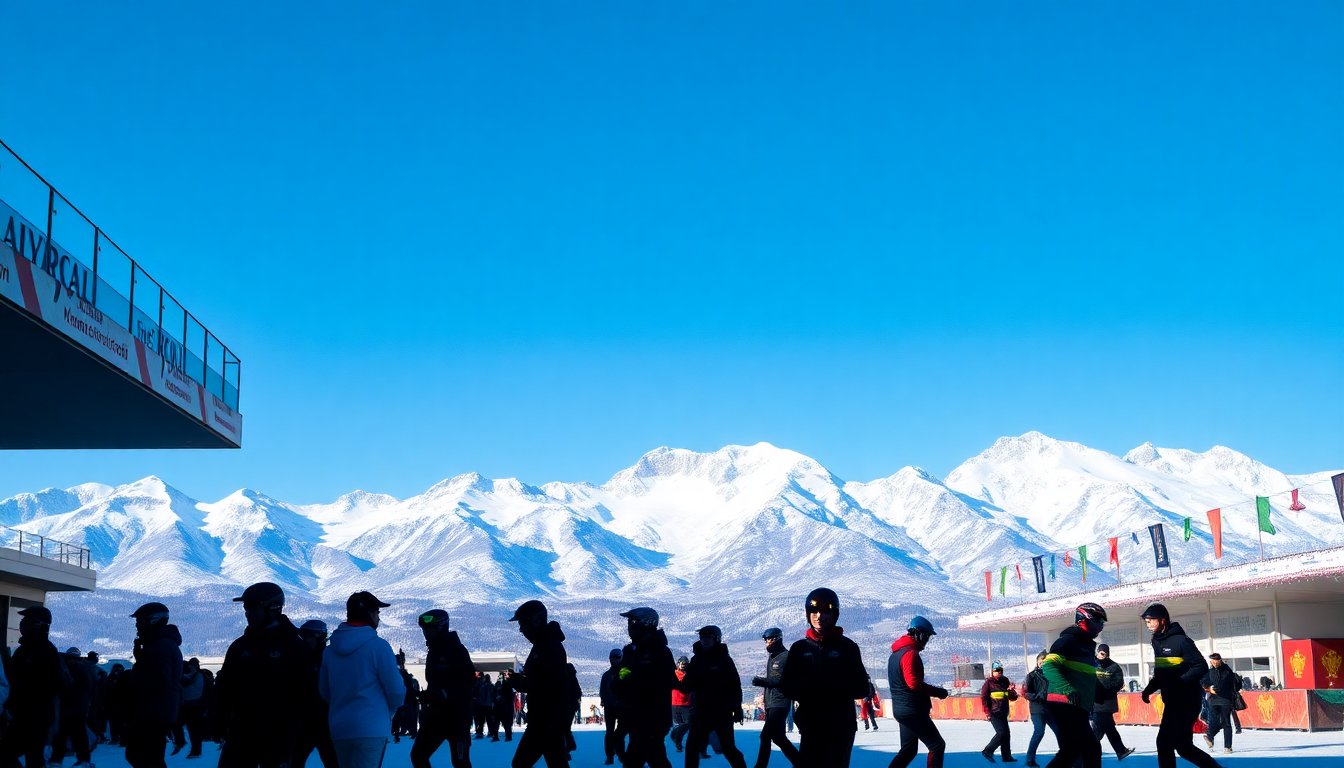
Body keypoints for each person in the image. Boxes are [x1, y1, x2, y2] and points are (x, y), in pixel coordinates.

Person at [217, 582, 309, 768]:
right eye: (245, 607)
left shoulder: (294, 645)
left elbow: (305, 692)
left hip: (279, 734)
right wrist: (218, 719)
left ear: (272, 608)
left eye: (251, 606)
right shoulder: (240, 646)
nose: (247, 612)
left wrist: (295, 729)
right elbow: (224, 686)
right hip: (241, 732)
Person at [778, 587, 870, 768]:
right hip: (811, 725)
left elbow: (861, 687)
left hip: (841, 726)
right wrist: (807, 688)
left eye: (825, 611)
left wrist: (832, 685)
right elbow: (787, 686)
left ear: (834, 614)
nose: (819, 616)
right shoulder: (799, 649)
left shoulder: (848, 647)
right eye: (814, 611)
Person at [321, 591, 405, 768]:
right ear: (370, 614)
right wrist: (388, 711)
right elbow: (397, 690)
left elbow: (324, 692)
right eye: (377, 613)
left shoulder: (330, 650)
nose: (378, 618)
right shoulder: (378, 647)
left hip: (339, 728)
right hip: (371, 728)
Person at [1140, 604, 1222, 768]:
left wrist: (1180, 681)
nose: (1148, 624)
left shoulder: (1182, 641)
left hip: (1187, 701)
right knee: (1183, 747)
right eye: (1146, 621)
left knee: (1164, 742)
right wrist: (1150, 688)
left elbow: (1201, 666)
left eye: (1151, 620)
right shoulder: (1156, 641)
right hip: (1173, 701)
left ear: (1163, 621)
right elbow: (1162, 671)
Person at [507, 599, 571, 768]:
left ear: (535, 621)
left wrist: (523, 683)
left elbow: (550, 684)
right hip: (544, 718)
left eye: (523, 624)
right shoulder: (541, 645)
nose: (521, 629)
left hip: (547, 719)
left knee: (521, 763)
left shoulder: (550, 647)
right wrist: (522, 681)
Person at [1040, 602, 1105, 768]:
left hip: (1078, 705)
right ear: (1084, 620)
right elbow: (1048, 667)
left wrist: (1097, 692)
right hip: (1065, 704)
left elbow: (1084, 675)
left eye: (1102, 623)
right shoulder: (1068, 641)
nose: (1101, 627)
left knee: (1072, 751)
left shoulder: (1087, 646)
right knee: (1089, 749)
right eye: (1098, 622)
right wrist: (1068, 690)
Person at [0, 605, 65, 768]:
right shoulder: (23, 651)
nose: (22, 624)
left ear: (40, 625)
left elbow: (54, 685)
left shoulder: (47, 651)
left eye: (27, 620)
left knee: (31, 757)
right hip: (23, 715)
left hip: (36, 716)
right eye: (24, 620)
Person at [677, 625, 748, 768]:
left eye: (707, 638)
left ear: (716, 639)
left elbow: (735, 685)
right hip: (701, 712)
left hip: (721, 712)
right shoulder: (696, 660)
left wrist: (737, 708)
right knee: (691, 748)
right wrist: (687, 678)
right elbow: (686, 686)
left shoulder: (724, 659)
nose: (704, 641)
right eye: (702, 638)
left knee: (728, 748)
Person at [412, 609, 475, 768]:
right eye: (424, 629)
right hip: (436, 715)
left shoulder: (457, 650)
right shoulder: (433, 651)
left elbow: (468, 684)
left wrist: (444, 693)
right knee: (418, 755)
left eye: (429, 629)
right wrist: (428, 695)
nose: (425, 633)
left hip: (457, 717)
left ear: (441, 627)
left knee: (460, 762)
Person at [614, 606, 676, 768]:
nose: (629, 625)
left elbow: (667, 681)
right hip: (634, 715)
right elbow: (623, 674)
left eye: (633, 621)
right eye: (629, 621)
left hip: (654, 716)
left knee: (648, 758)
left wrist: (640, 681)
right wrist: (620, 683)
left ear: (648, 623)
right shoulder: (630, 651)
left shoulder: (661, 652)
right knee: (652, 758)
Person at [125, 602, 185, 768]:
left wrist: (133, 681)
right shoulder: (157, 645)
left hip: (152, 712)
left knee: (145, 757)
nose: (137, 625)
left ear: (153, 621)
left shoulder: (160, 647)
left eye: (140, 621)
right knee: (144, 757)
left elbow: (158, 681)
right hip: (155, 711)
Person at [885, 615, 948, 768]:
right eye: (926, 636)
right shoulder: (910, 654)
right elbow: (913, 683)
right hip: (912, 710)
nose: (927, 640)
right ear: (919, 634)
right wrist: (938, 692)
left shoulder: (895, 654)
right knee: (937, 746)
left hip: (902, 710)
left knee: (908, 750)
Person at [750, 627, 799, 768]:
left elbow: (785, 681)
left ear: (778, 639)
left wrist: (763, 682)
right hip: (771, 703)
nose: (767, 643)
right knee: (778, 738)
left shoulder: (786, 656)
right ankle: (800, 762)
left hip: (781, 703)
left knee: (765, 736)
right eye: (766, 640)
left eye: (770, 639)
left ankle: (760, 766)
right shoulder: (772, 658)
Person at [294, 620, 338, 768]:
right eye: (303, 636)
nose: (305, 640)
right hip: (303, 723)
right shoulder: (299, 659)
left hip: (325, 723)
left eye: (308, 636)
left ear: (320, 637)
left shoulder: (331, 659)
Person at [51, 646, 97, 767]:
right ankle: (83, 758)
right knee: (76, 735)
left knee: (67, 734)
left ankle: (58, 759)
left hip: (73, 707)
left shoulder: (75, 670)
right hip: (76, 708)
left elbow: (70, 688)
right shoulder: (81, 669)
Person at [1092, 644, 1134, 760]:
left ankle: (1082, 754)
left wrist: (1104, 687)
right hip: (1094, 702)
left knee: (1098, 731)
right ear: (1097, 653)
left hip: (1107, 703)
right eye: (1101, 653)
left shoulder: (1114, 667)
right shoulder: (1092, 665)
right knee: (1109, 728)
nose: (1102, 656)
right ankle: (1121, 751)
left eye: (1105, 654)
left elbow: (1119, 683)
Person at [1200, 653, 1241, 755]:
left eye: (1216, 661)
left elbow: (1224, 684)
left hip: (1225, 700)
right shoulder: (1210, 671)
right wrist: (1208, 688)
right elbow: (1204, 681)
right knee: (1213, 721)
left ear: (1220, 660)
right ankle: (1210, 737)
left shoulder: (1227, 671)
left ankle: (1228, 746)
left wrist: (1215, 689)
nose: (1215, 663)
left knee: (1226, 723)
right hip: (1213, 701)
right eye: (1213, 662)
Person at [1020, 651, 1055, 768]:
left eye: (1045, 662)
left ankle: (1069, 756)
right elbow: (1025, 693)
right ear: (1037, 662)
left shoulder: (1052, 675)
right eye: (1041, 662)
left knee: (1060, 732)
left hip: (1051, 709)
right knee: (1039, 732)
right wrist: (1037, 696)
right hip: (1037, 709)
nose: (1042, 664)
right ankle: (1030, 759)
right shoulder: (1031, 676)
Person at [978, 660, 1018, 762]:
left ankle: (1006, 756)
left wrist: (1011, 691)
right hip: (994, 713)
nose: (999, 672)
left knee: (1006, 734)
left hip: (1003, 712)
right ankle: (988, 750)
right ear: (992, 671)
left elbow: (1013, 698)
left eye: (1001, 670)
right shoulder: (988, 683)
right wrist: (987, 712)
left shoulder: (1005, 681)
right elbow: (984, 698)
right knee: (1001, 733)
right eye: (997, 670)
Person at [174, 658, 208, 759]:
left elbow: (193, 691)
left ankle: (194, 750)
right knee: (192, 729)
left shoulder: (198, 676)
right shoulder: (195, 675)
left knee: (193, 729)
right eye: (190, 665)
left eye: (193, 665)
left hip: (195, 707)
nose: (191, 667)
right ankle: (193, 749)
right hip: (191, 707)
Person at [599, 649, 626, 765]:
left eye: (616, 658)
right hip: (616, 707)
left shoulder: (607, 675)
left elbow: (602, 692)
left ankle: (614, 755)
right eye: (613, 658)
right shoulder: (623, 672)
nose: (614, 660)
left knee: (614, 732)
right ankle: (616, 754)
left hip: (615, 707)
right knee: (616, 732)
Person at [670, 656, 694, 754]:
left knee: (687, 725)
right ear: (678, 664)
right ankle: (678, 742)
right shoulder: (674, 674)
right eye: (682, 663)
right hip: (674, 704)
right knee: (681, 725)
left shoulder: (689, 675)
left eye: (685, 664)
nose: (683, 665)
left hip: (686, 704)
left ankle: (675, 736)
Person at [495, 671, 518, 743]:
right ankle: (507, 736)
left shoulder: (500, 684)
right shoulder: (507, 684)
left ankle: (500, 736)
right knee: (506, 722)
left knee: (502, 722)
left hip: (502, 706)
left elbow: (509, 696)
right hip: (505, 706)